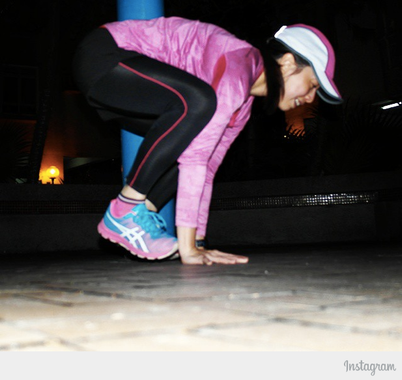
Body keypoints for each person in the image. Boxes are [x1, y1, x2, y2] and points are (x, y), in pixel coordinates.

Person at [73, 17, 342, 265]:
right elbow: (196, 159)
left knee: (195, 134)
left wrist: (196, 242)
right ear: (287, 63)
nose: (310, 98)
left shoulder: (244, 104)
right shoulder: (240, 64)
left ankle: (144, 215)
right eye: (314, 85)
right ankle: (125, 210)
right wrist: (188, 248)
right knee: (200, 103)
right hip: (107, 55)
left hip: (130, 85)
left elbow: (208, 165)